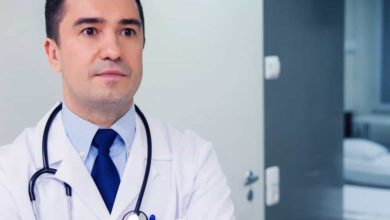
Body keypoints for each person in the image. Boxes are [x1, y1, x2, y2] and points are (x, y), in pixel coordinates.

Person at [0, 0, 235, 219]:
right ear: (53, 54)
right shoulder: (9, 174)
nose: (113, 51)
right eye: (90, 30)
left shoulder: (194, 161)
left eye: (127, 32)